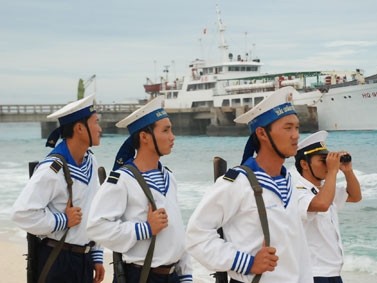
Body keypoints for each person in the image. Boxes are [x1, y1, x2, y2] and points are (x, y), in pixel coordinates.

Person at [185, 86, 313, 283]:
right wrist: (247, 263)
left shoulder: (288, 180)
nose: (296, 135)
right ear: (262, 133)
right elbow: (196, 236)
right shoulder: (238, 183)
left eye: (297, 127)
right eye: (288, 128)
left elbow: (299, 249)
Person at [87, 96, 193, 283]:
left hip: (173, 276)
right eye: (166, 130)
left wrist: (186, 276)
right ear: (144, 137)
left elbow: (177, 232)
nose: (172, 136)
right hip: (142, 276)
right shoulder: (122, 179)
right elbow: (97, 227)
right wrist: (145, 229)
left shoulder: (168, 177)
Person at [11, 94, 105, 283]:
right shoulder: (52, 169)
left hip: (84, 259)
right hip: (57, 259)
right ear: (80, 128)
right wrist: (63, 220)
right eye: (96, 123)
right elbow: (21, 213)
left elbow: (93, 210)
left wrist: (96, 253)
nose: (100, 128)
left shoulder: (90, 161)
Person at [294, 130, 362, 283]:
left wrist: (347, 170)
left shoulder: (325, 189)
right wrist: (332, 171)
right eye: (322, 160)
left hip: (332, 272)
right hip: (313, 273)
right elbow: (322, 204)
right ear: (304, 164)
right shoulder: (297, 191)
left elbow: (355, 196)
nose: (328, 164)